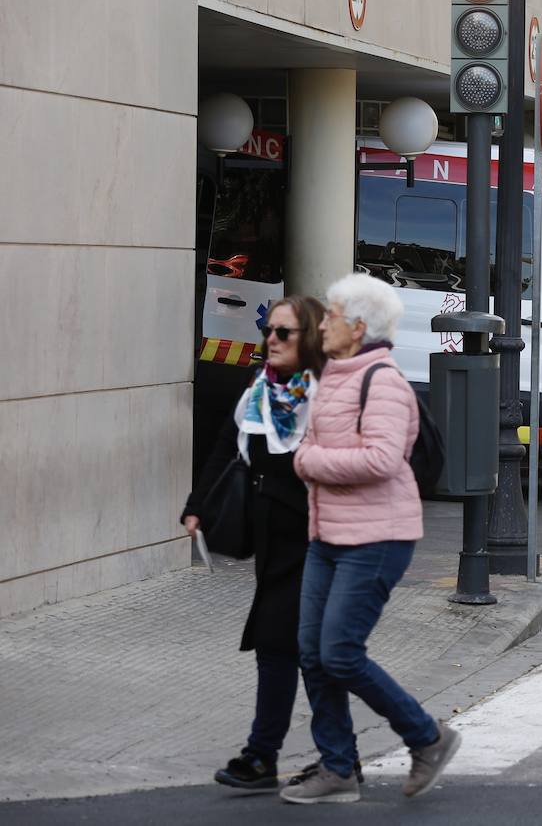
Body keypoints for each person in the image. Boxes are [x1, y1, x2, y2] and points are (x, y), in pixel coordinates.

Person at [280, 273, 459, 804]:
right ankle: (338, 769)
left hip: (378, 538)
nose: (323, 323)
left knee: (338, 652)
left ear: (357, 328)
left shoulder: (382, 382)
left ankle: (427, 736)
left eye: (332, 314)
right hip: (329, 534)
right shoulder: (333, 375)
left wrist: (307, 462)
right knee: (311, 653)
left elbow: (382, 460)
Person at [182, 295, 333, 791]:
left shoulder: (327, 395)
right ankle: (270, 755)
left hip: (316, 538)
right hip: (272, 539)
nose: (271, 339)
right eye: (269, 330)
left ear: (308, 338)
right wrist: (198, 505)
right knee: (279, 644)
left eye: (284, 333)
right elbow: (229, 445)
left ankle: (305, 756)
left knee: (300, 647)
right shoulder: (258, 389)